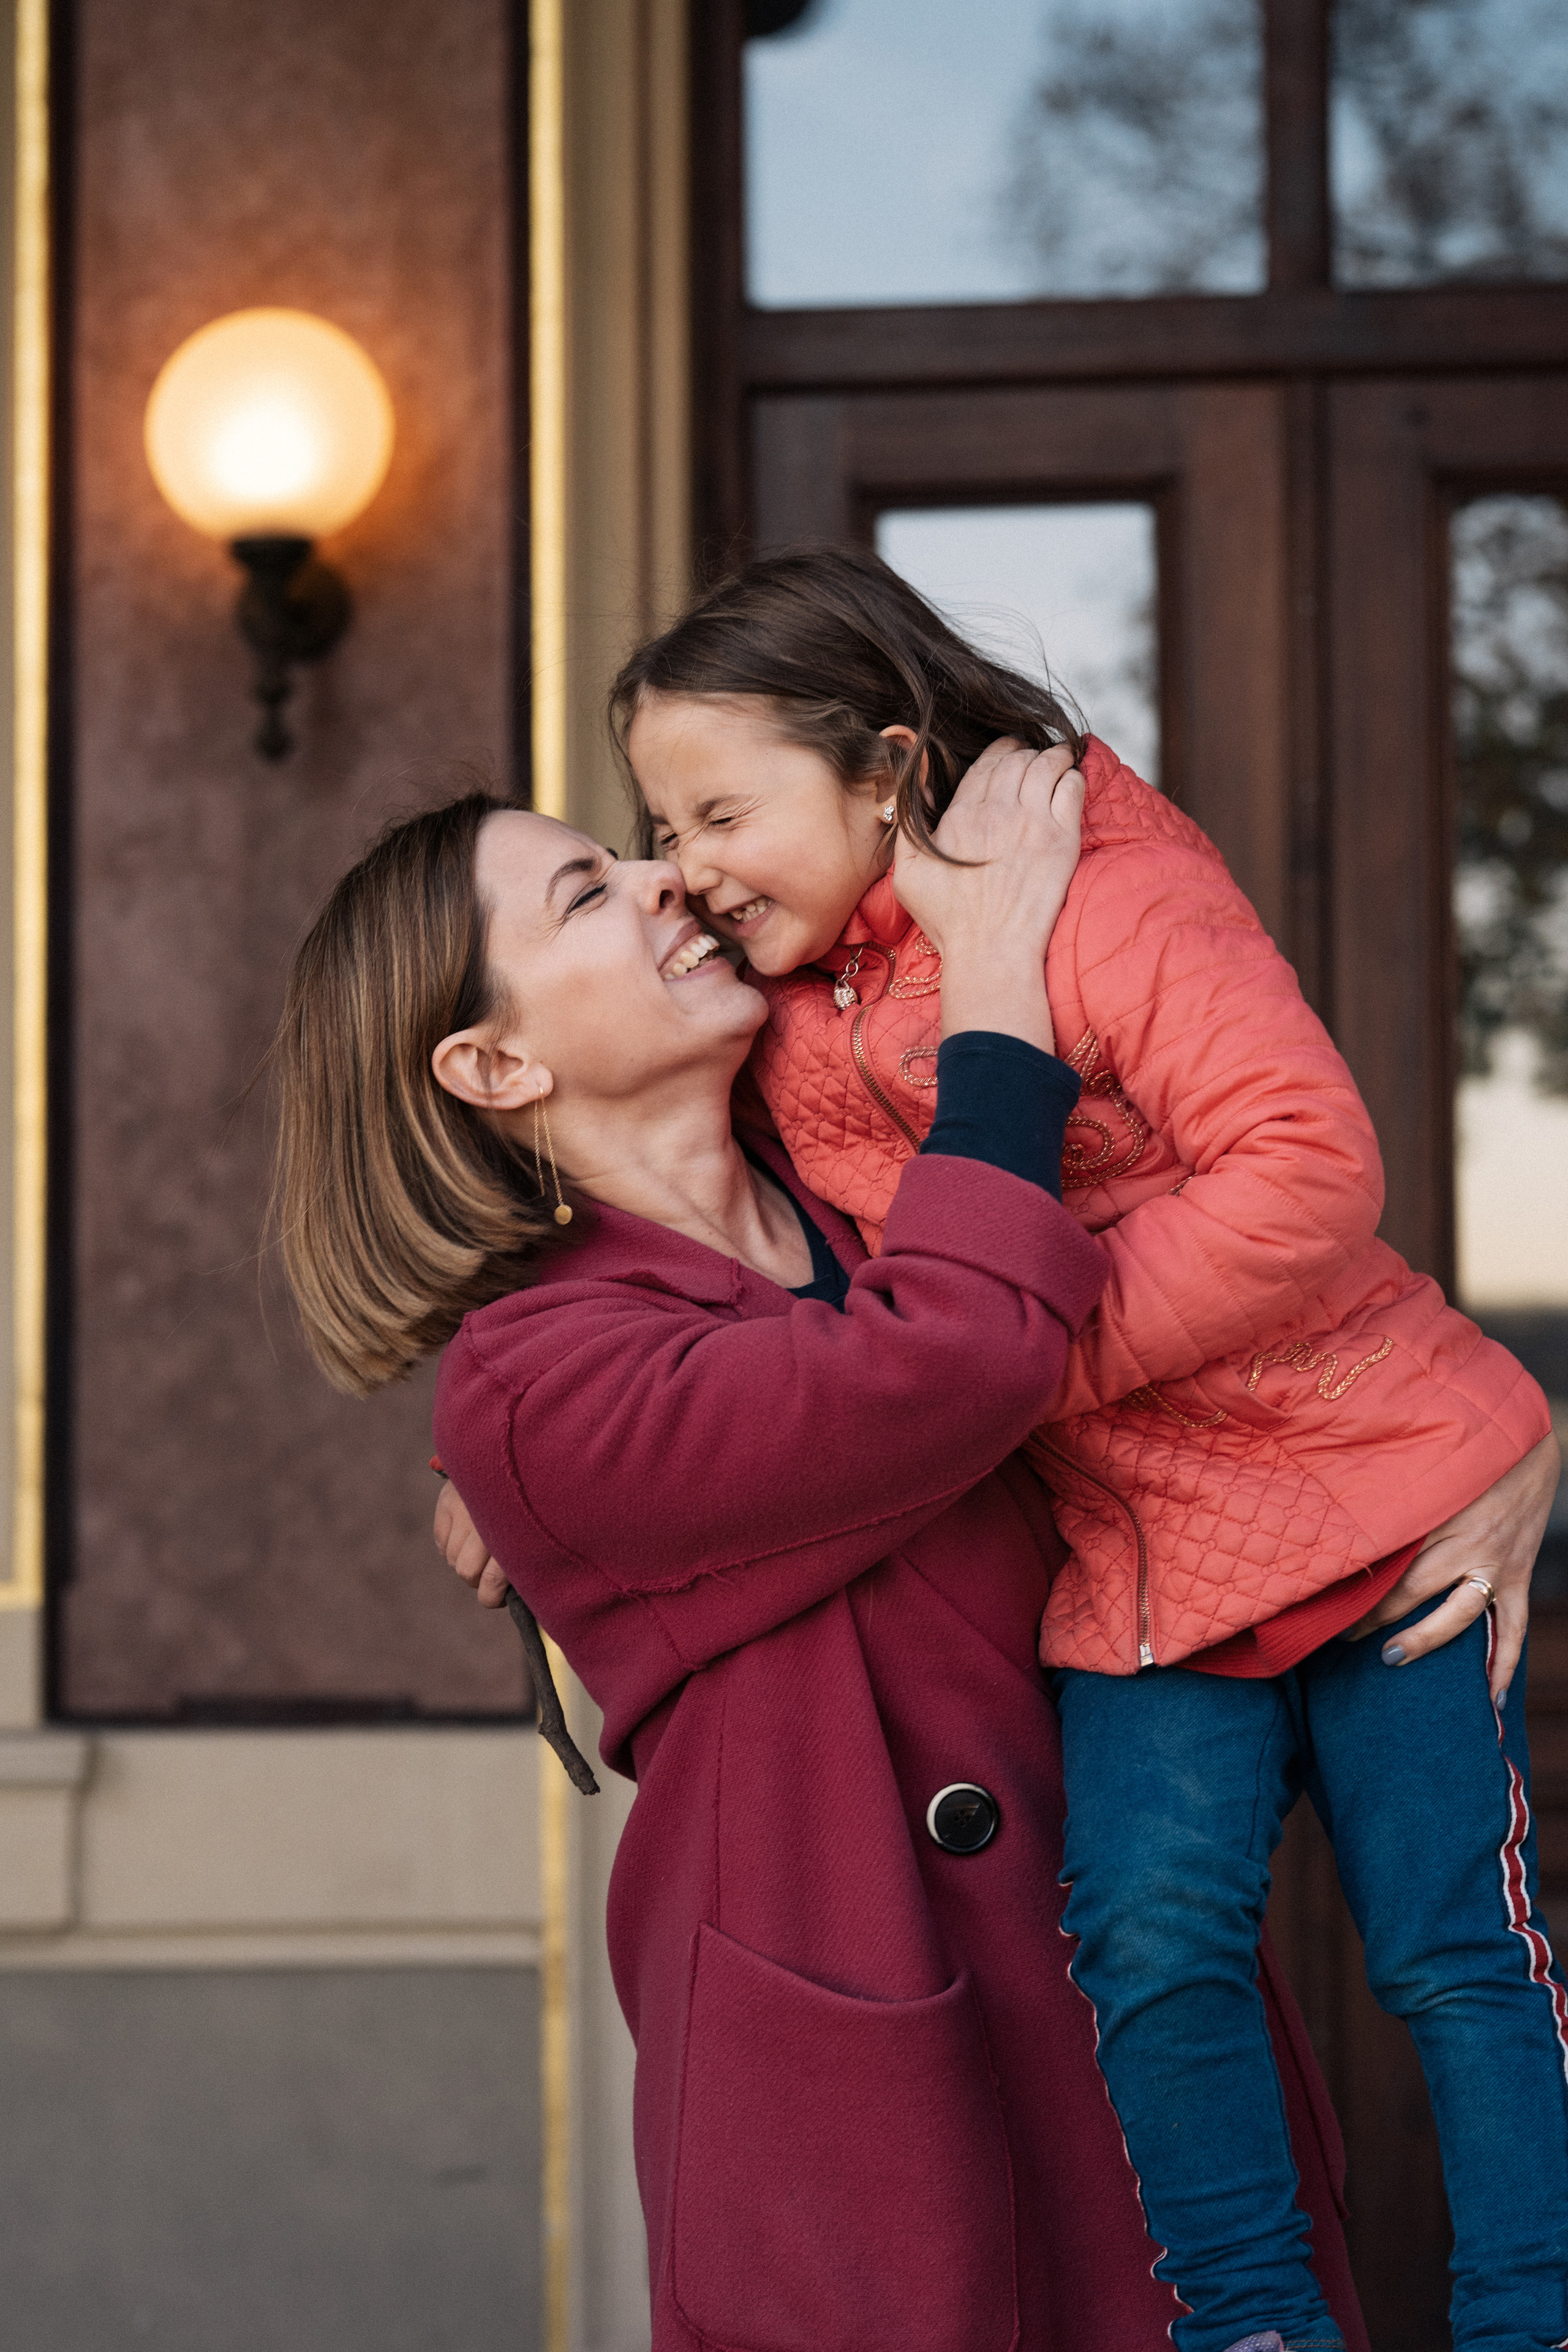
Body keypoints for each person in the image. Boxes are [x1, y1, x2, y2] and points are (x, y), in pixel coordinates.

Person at [271, 758, 1369, 2352]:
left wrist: (1503, 1449)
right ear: (494, 1062)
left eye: (633, 852)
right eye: (588, 891)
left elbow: (1238, 1330)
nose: (661, 877)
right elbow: (943, 1363)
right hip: (868, 2094)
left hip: (1134, 2026)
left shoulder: (874, 1183)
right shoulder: (528, 1383)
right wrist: (998, 980)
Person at [608, 546, 1565, 2352]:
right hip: (1138, 1571)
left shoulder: (1102, 886)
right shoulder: (778, 1026)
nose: (686, 867)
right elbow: (639, 1230)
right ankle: (1252, 2326)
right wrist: (467, 1468)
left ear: (884, 770)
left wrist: (1002, 1367)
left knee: (1455, 1951)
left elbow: (1305, 1170)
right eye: (662, 826)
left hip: (1382, 1512)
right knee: (1146, 1943)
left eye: (720, 809)